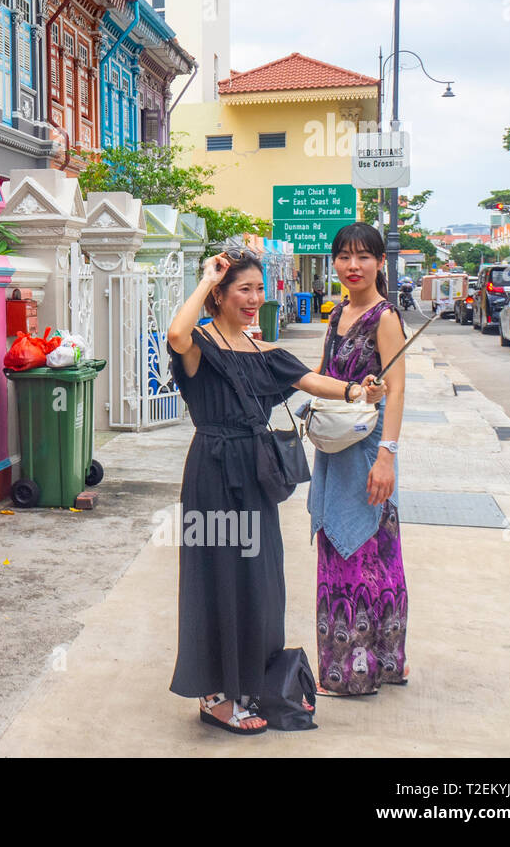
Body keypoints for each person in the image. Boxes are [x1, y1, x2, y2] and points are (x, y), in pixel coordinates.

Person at [165, 247, 384, 734]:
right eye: (244, 289)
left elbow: (311, 380)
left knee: (260, 583)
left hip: (257, 475)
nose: (255, 298)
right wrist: (206, 277)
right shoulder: (201, 344)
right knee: (214, 577)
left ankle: (248, 682)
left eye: (260, 289)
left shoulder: (263, 354)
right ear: (219, 295)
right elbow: (176, 334)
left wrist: (357, 392)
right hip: (213, 473)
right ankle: (213, 694)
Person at [308, 223, 409, 696]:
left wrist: (387, 456)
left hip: (368, 449)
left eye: (364, 257)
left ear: (380, 263)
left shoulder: (384, 316)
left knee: (368, 554)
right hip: (336, 449)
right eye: (345, 257)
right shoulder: (338, 313)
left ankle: (357, 672)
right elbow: (325, 376)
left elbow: (398, 390)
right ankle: (382, 663)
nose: (353, 266)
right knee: (341, 546)